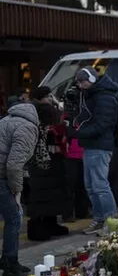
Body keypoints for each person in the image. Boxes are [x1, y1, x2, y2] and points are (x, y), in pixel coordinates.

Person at [69, 66, 118, 235]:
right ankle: (99, 219)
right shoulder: (92, 95)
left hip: (100, 145)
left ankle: (112, 220)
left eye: (82, 81)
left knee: (100, 185)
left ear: (91, 80)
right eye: (78, 81)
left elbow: (102, 125)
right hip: (90, 144)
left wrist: (77, 133)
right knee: (91, 186)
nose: (80, 85)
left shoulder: (104, 97)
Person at [0, 103, 38, 276]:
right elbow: (14, 165)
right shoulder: (27, 128)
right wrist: (17, 191)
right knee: (14, 218)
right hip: (1, 176)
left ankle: (8, 260)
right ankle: (10, 266)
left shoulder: (7, 120)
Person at [27, 88, 69, 241]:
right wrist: (57, 105)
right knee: (41, 193)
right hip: (41, 157)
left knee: (53, 192)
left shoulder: (41, 109)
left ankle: (51, 223)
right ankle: (37, 227)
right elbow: (56, 118)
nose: (51, 99)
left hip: (50, 156)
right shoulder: (39, 110)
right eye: (48, 96)